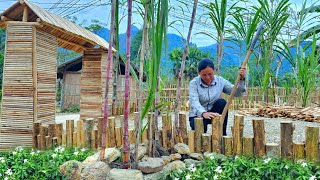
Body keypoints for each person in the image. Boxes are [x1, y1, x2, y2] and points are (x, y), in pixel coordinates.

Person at [189, 58, 247, 135]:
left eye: (210, 74)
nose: (207, 77)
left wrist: (241, 79)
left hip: (214, 113)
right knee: (200, 130)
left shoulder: (220, 81)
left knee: (222, 103)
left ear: (214, 71)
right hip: (198, 115)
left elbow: (237, 92)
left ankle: (222, 134)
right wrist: (203, 113)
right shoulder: (194, 83)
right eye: (204, 75)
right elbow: (194, 101)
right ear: (199, 73)